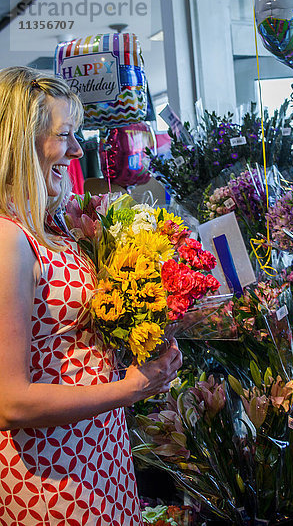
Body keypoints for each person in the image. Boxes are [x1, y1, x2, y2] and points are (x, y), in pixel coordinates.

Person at [0, 66, 183, 525]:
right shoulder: (8, 239)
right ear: (23, 142)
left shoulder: (46, 229)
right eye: (65, 135)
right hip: (52, 480)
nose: (79, 150)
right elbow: (12, 402)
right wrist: (133, 388)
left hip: (97, 462)